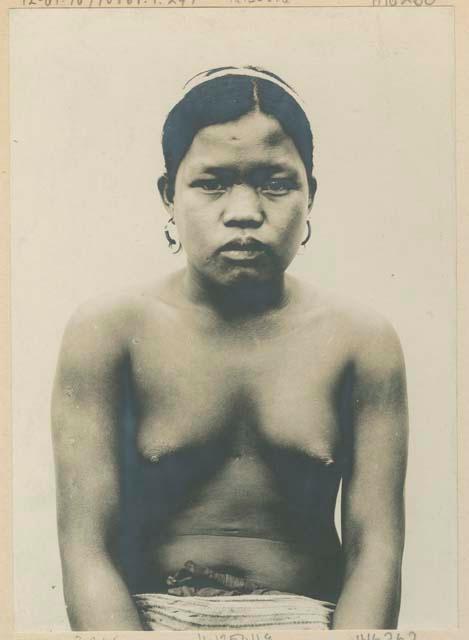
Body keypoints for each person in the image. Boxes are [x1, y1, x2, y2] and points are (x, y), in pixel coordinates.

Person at [51, 66, 408, 631]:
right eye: (212, 182)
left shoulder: (361, 343)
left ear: (310, 194)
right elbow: (85, 550)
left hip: (311, 625)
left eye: (275, 182)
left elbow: (377, 552)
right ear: (169, 195)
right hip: (147, 624)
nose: (244, 211)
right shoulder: (109, 333)